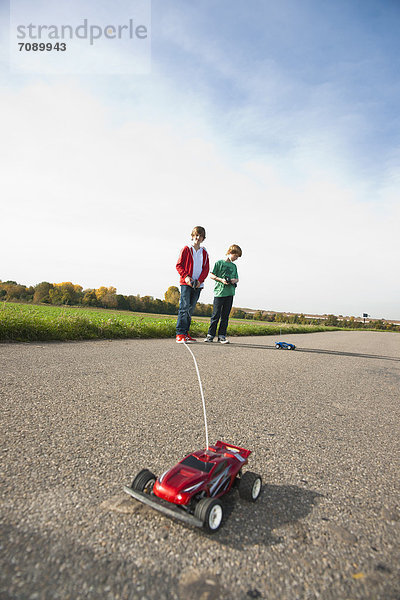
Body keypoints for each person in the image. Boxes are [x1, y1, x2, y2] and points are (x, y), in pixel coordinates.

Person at [175, 226, 210, 343]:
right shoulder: (186, 249)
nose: (198, 238)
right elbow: (179, 265)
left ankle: (186, 333)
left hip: (198, 285)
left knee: (190, 310)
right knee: (184, 308)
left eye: (200, 236)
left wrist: (200, 280)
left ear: (203, 238)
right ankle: (180, 334)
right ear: (192, 236)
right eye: (196, 235)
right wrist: (186, 277)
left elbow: (206, 269)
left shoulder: (204, 252)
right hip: (186, 283)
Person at [204, 244, 242, 344]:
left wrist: (233, 280)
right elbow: (211, 275)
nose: (236, 259)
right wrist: (221, 280)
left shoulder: (234, 266)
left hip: (230, 293)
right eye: (236, 256)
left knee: (225, 316)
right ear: (230, 252)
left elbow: (237, 278)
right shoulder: (219, 263)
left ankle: (222, 336)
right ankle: (210, 335)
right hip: (219, 292)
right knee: (215, 315)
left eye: (238, 257)